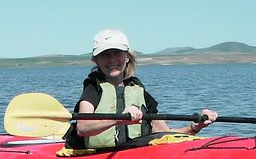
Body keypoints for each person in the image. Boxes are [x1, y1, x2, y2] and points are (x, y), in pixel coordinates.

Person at [64, 29, 218, 150]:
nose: (111, 60)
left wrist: (195, 127)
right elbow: (82, 128)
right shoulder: (93, 89)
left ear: (127, 57)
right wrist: (119, 118)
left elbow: (164, 134)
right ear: (96, 60)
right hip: (97, 156)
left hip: (134, 154)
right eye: (105, 55)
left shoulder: (138, 91)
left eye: (117, 53)